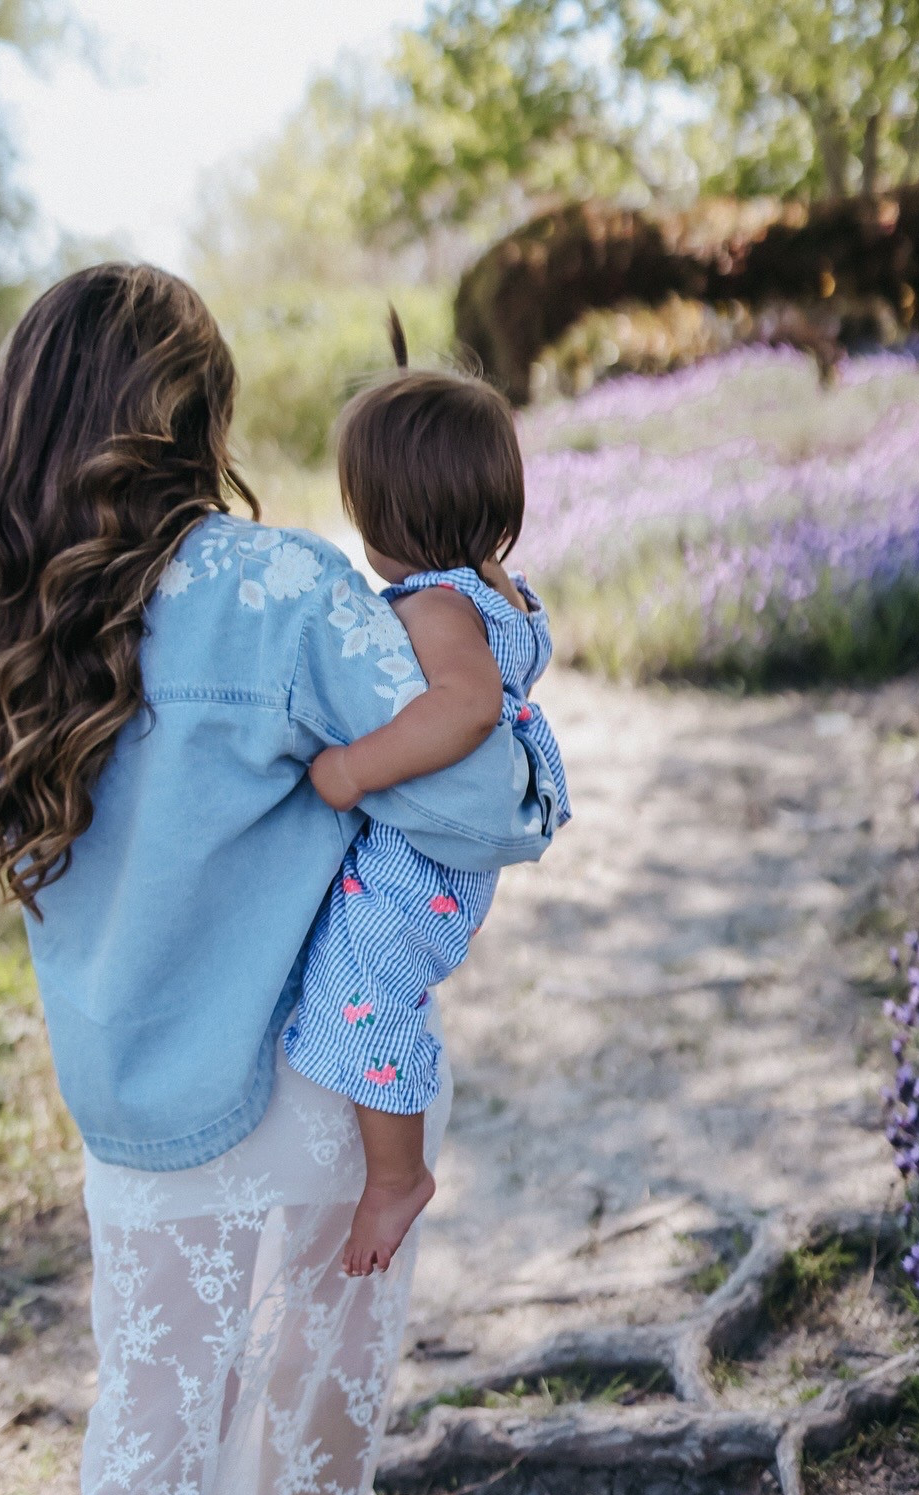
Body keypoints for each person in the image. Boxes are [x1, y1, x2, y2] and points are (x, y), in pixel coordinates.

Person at [0, 263, 556, 1495]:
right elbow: (467, 795)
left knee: (151, 1406)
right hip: (306, 1082)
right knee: (306, 1381)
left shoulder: (10, 613)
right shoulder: (276, 587)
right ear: (191, 418)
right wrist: (519, 775)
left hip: (130, 1097)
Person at [283, 311, 570, 1277]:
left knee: (373, 987)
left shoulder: (440, 606)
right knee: (365, 978)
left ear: (391, 522)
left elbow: (466, 706)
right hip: (448, 855)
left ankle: (395, 1175)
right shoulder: (497, 586)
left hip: (421, 860)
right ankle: (385, 1158)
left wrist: (352, 770)